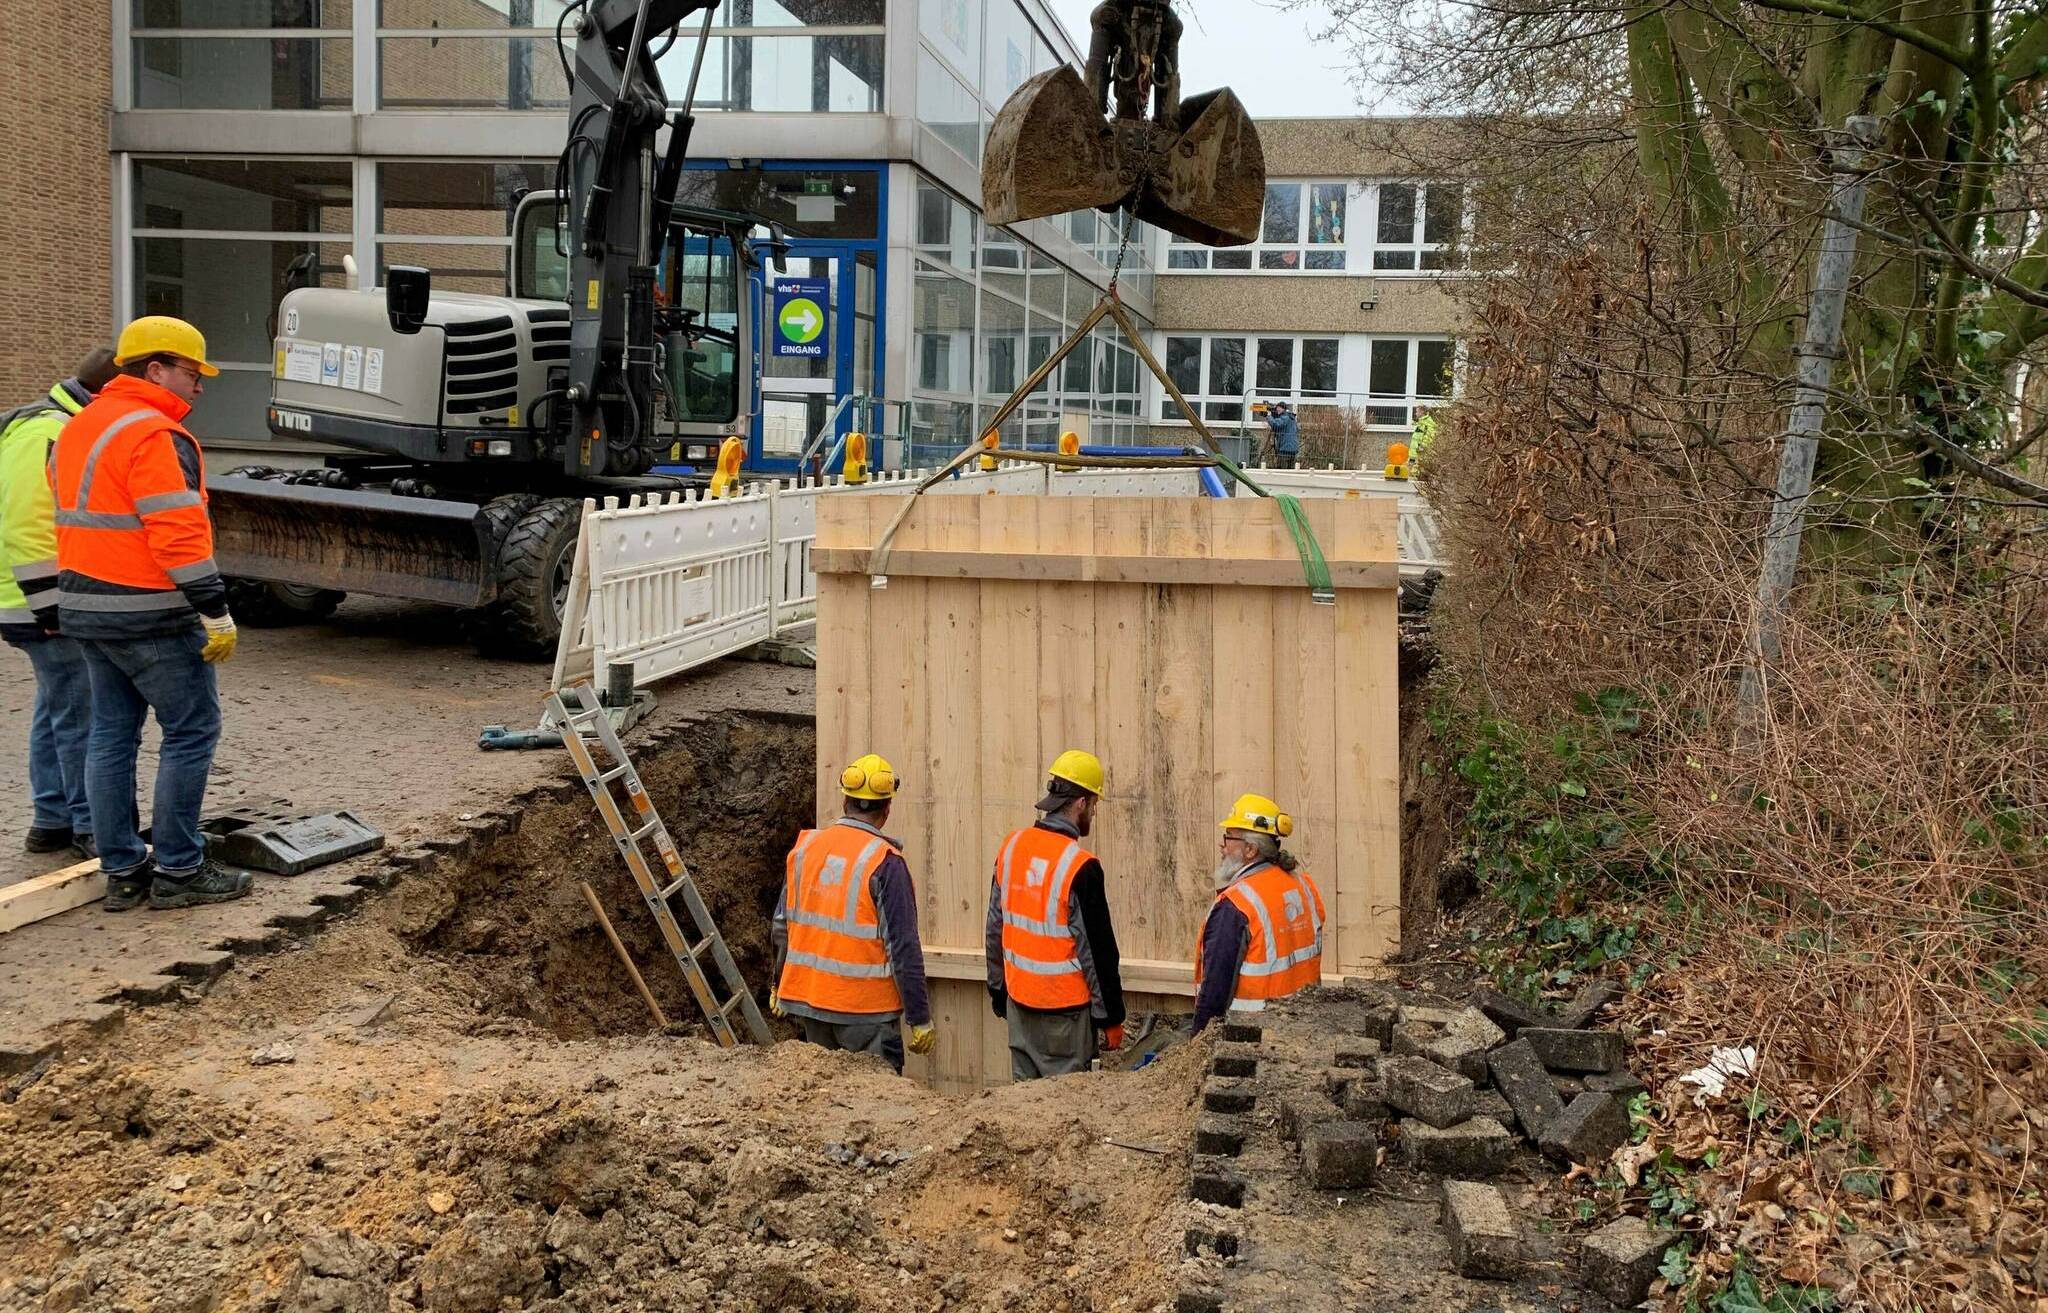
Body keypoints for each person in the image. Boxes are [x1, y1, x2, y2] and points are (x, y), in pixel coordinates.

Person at [51, 316, 250, 913]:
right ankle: (181, 870)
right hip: (152, 614)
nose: (199, 386)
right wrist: (213, 609)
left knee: (110, 736)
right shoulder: (155, 435)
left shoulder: (80, 427)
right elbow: (177, 533)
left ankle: (123, 871)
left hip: (87, 609)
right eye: (192, 373)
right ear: (155, 368)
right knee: (191, 733)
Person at [2, 348, 118, 858]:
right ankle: (88, 826)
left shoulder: (42, 425)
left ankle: (51, 820)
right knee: (82, 714)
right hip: (36, 601)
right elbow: (28, 522)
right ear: (105, 394)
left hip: (24, 599)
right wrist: (53, 608)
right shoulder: (52, 431)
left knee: (59, 704)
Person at [769, 753, 934, 1073]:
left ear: (845, 800)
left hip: (812, 1006)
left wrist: (778, 983)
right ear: (887, 809)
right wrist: (919, 1018)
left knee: (824, 1096)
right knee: (875, 1107)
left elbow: (781, 925)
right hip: (866, 1015)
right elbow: (903, 947)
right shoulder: (886, 862)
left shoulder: (805, 850)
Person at [985, 749, 1127, 1080]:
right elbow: (1098, 951)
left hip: (1019, 1006)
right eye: (1093, 806)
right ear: (1081, 803)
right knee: (1065, 1117)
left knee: (1026, 1111)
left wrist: (997, 989)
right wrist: (1111, 1018)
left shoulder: (1012, 847)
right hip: (1065, 1020)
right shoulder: (1080, 866)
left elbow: (995, 927)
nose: (1092, 813)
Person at [1192, 793, 1325, 1032]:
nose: (1222, 846)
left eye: (1228, 837)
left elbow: (1214, 993)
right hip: (1305, 1029)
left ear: (1250, 849)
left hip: (1252, 1038)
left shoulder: (1236, 906)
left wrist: (1197, 1044)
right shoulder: (1303, 885)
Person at [1265, 401, 1300, 469]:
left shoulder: (1285, 417)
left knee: (1281, 470)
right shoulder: (1291, 417)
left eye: (1278, 408)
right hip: (1293, 448)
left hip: (1285, 448)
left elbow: (1275, 424)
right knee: (1290, 471)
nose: (1277, 410)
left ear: (1283, 408)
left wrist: (1268, 416)